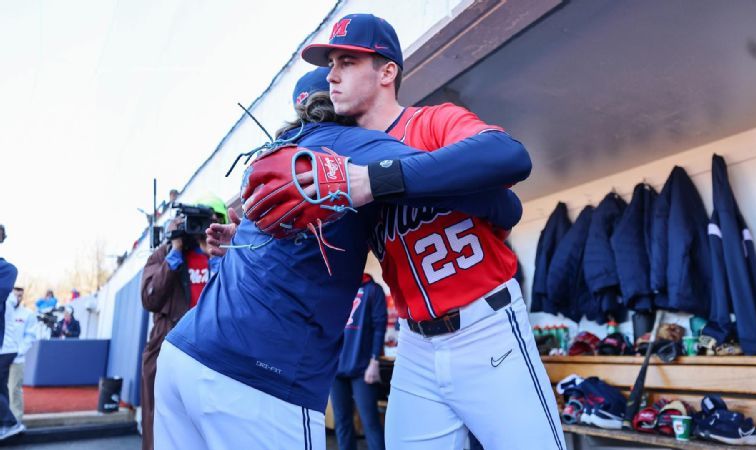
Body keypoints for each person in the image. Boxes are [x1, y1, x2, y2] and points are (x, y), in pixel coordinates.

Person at [155, 69, 525, 449]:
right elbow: (496, 198)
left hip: (183, 355)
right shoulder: (353, 143)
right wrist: (503, 211)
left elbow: (288, 247)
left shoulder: (278, 153)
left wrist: (248, 236)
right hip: (258, 377)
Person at [300, 14, 565, 449]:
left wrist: (380, 180)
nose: (331, 75)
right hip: (416, 346)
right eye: (331, 63)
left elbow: (510, 155)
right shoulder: (341, 159)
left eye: (346, 61)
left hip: (486, 327)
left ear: (387, 72)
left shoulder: (431, 122)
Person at [139, 198, 227, 450]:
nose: (200, 227)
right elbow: (150, 298)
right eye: (196, 222)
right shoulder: (165, 253)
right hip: (169, 347)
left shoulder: (223, 252)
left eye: (208, 221)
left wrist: (216, 255)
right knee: (164, 425)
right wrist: (174, 254)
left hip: (212, 351)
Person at [331, 273, 387, 450]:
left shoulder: (373, 290)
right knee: (342, 422)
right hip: (335, 369)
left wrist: (374, 362)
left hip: (363, 369)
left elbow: (380, 327)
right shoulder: (337, 288)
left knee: (370, 422)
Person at [0, 225, 24, 440]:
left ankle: (10, 421)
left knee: (11, 386)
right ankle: (8, 422)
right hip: (6, 348)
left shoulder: (7, 270)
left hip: (8, 349)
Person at [5, 287, 36, 422]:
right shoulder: (4, 311)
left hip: (17, 360)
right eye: (15, 295)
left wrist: (18, 352)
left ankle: (16, 422)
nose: (17, 298)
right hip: (2, 358)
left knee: (14, 391)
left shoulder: (28, 314)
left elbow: (30, 337)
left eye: (20, 296)